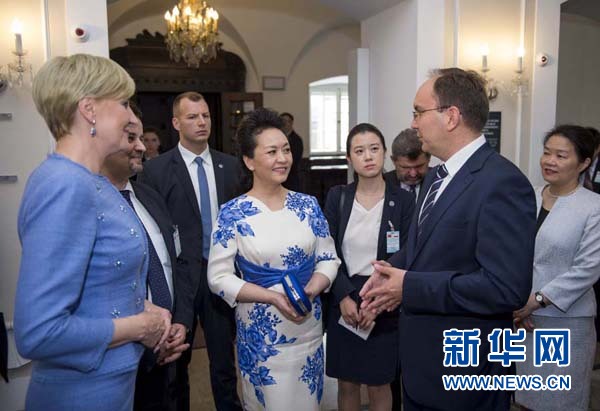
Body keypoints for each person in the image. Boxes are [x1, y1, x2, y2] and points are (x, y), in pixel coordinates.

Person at [360, 68, 537, 411]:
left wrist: (408, 286)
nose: (413, 123)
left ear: (451, 117)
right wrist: (388, 272)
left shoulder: (502, 182)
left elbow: (505, 288)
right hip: (421, 366)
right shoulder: (436, 176)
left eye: (418, 112)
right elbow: (422, 248)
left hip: (465, 374)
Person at [14, 54, 171, 411]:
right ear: (89, 110)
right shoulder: (64, 185)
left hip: (111, 386)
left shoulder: (94, 182)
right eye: (123, 103)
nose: (131, 117)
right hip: (80, 394)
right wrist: (138, 326)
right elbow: (38, 332)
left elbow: (100, 282)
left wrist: (146, 308)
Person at [207, 108, 340, 410]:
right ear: (249, 160)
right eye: (272, 152)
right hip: (261, 337)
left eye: (286, 150)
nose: (283, 158)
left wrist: (311, 290)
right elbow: (218, 277)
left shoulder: (307, 205)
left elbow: (328, 259)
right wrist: (272, 297)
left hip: (307, 329)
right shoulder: (232, 213)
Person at [139, 91, 242, 411]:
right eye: (192, 117)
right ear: (176, 123)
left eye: (205, 116)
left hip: (221, 272)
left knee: (224, 361)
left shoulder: (231, 166)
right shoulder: (156, 170)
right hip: (180, 277)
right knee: (177, 363)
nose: (201, 122)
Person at [101, 115, 195, 411]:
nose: (141, 147)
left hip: (172, 347)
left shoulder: (149, 197)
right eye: (132, 139)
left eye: (142, 138)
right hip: (122, 355)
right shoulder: (92, 204)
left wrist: (181, 321)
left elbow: (176, 262)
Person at [324, 123, 414, 411]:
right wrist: (342, 297)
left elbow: (408, 251)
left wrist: (376, 303)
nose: (368, 156)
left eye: (374, 149)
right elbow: (326, 250)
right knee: (347, 382)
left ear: (384, 153)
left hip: (384, 296)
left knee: (379, 383)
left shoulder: (403, 200)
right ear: (349, 159)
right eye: (359, 151)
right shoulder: (338, 196)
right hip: (344, 294)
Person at [513, 125, 600, 411]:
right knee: (525, 399)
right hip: (523, 320)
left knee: (559, 401)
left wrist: (536, 300)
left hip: (565, 321)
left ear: (584, 163)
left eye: (561, 156)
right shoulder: (528, 196)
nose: (549, 161)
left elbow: (588, 268)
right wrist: (517, 303)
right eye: (547, 153)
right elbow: (512, 253)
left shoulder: (593, 207)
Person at [383, 128, 431, 201]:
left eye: (419, 166)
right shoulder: (382, 184)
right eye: (405, 167)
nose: (413, 174)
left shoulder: (439, 181)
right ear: (393, 161)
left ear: (428, 159)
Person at [280, 112, 304, 192]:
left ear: (291, 123)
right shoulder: (278, 138)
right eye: (282, 121)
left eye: (287, 121)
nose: (285, 123)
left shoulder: (297, 140)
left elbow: (295, 159)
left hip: (291, 178)